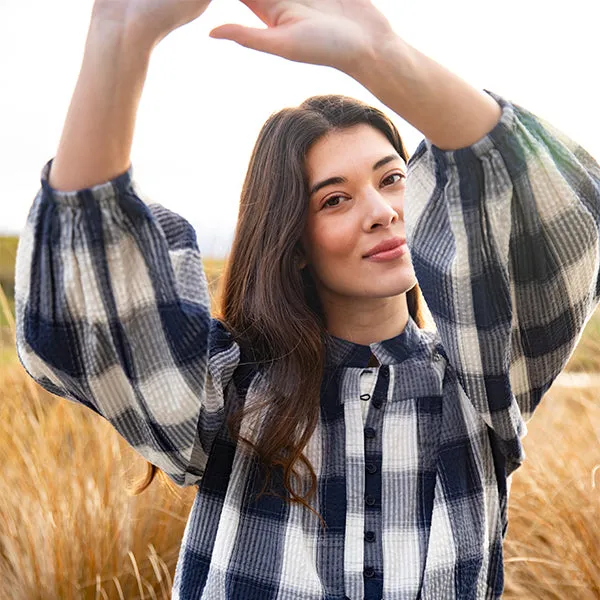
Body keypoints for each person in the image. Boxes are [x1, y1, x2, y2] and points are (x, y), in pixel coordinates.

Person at [13, 0, 600, 598]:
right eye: (334, 199)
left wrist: (383, 54)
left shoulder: (481, 385)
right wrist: (118, 36)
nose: (380, 212)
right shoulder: (234, 394)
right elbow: (83, 319)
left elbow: (559, 228)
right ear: (294, 242)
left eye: (391, 178)